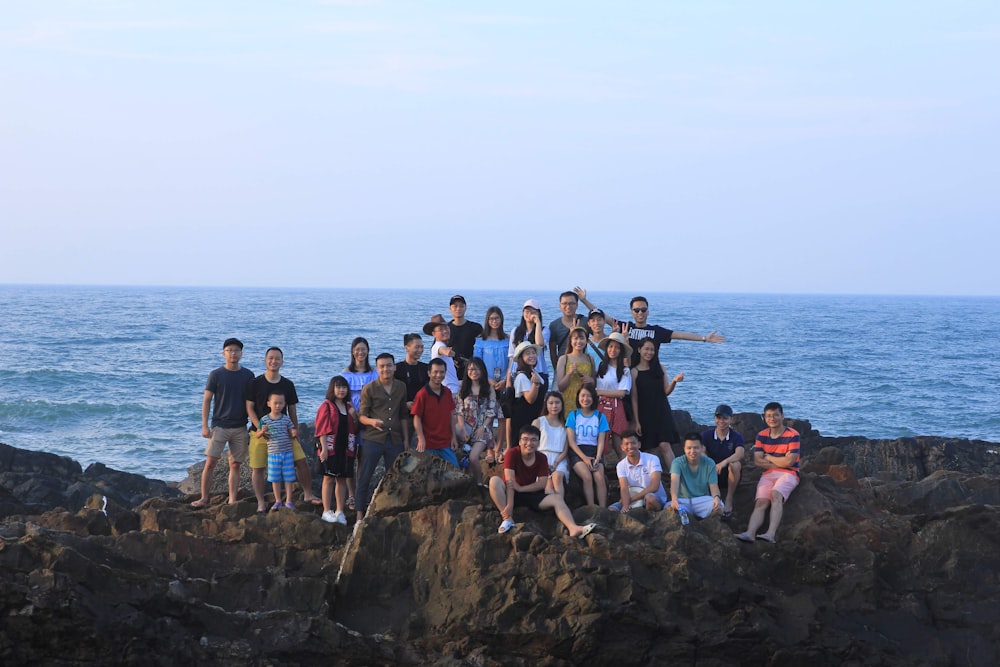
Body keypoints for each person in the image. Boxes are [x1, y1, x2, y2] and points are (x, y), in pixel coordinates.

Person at [488, 424, 597, 539]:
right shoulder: (512, 453)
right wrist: (509, 505)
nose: (529, 443)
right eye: (525, 439)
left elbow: (542, 483)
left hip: (530, 494)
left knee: (557, 498)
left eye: (533, 440)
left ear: (539, 443)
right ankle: (507, 519)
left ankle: (573, 528)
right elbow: (510, 482)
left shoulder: (541, 458)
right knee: (494, 481)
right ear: (519, 441)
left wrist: (521, 488)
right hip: (510, 494)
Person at [246, 347, 319, 513]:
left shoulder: (287, 384)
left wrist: (295, 430)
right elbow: (249, 408)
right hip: (259, 432)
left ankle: (307, 494)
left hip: (285, 432)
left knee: (301, 461)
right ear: (265, 360)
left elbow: (292, 409)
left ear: (282, 361)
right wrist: (260, 428)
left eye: (277, 358)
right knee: (257, 468)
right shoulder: (255, 383)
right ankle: (260, 502)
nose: (274, 361)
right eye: (271, 358)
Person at [195, 338, 254, 509]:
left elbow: (252, 401)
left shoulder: (248, 375)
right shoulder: (216, 374)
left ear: (241, 354)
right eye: (229, 350)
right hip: (219, 426)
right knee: (210, 462)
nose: (233, 353)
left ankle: (232, 499)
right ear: (223, 353)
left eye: (236, 350)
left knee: (235, 464)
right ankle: (204, 498)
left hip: (240, 426)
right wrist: (205, 425)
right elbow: (207, 400)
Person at [736, 402, 801, 544]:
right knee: (760, 502)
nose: (772, 418)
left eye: (776, 415)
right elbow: (757, 461)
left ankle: (770, 534)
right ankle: (750, 533)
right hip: (769, 473)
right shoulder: (762, 435)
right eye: (769, 416)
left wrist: (770, 457)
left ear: (782, 416)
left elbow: (789, 463)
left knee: (775, 495)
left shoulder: (793, 435)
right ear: (765, 418)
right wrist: (779, 461)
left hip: (789, 473)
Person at [357, 353, 410, 519]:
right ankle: (359, 514)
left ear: (394, 367)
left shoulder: (401, 387)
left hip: (394, 439)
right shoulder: (369, 388)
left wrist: (406, 439)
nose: (385, 369)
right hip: (373, 439)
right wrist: (372, 422)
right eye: (382, 366)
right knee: (365, 476)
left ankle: (391, 511)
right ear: (377, 369)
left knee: (395, 478)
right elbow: (361, 416)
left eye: (389, 365)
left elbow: (403, 415)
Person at [621, 296, 725, 367]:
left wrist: (704, 338)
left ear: (648, 312)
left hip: (651, 374)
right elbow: (605, 318)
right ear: (632, 312)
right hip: (631, 373)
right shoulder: (626, 327)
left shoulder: (656, 331)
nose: (640, 313)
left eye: (643, 310)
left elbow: (680, 335)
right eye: (636, 310)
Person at [631, 338, 683, 466]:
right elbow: (634, 398)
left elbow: (666, 391)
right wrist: (636, 421)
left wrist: (674, 382)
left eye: (652, 350)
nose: (649, 352)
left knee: (665, 445)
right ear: (639, 350)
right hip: (645, 413)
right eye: (646, 349)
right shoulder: (634, 372)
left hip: (662, 411)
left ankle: (675, 478)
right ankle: (652, 479)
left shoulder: (660, 368)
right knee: (648, 448)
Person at [315, 376, 358, 525]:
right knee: (328, 478)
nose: (341, 390)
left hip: (346, 449)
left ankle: (340, 511)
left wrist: (355, 415)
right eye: (338, 387)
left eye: (344, 387)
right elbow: (321, 429)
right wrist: (324, 449)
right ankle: (326, 511)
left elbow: (356, 427)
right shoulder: (326, 406)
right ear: (332, 389)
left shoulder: (349, 407)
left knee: (342, 480)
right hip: (331, 448)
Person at [343, 337, 378, 510]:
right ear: (352, 351)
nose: (360, 352)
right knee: (350, 457)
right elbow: (341, 396)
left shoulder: (374, 373)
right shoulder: (345, 374)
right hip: (350, 420)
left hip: (368, 420)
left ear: (368, 351)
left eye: (363, 349)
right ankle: (351, 495)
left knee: (363, 459)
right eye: (357, 349)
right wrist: (354, 414)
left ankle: (361, 493)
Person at [456, 357, 501, 484]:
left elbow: (492, 412)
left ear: (482, 370)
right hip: (466, 426)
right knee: (454, 434)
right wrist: (463, 429)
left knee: (473, 457)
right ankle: (466, 481)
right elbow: (459, 411)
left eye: (476, 369)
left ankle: (479, 483)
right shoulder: (463, 388)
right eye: (470, 369)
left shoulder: (488, 388)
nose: (473, 371)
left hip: (483, 428)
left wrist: (483, 427)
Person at [473, 306, 509, 460]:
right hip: (487, 383)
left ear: (501, 320)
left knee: (502, 417)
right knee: (487, 415)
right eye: (491, 318)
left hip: (504, 382)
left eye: (497, 318)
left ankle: (498, 447)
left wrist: (505, 380)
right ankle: (488, 448)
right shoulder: (481, 341)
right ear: (487, 320)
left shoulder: (508, 339)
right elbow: (477, 363)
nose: (494, 321)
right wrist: (487, 380)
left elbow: (512, 362)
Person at [565, 385, 610, 508]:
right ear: (578, 398)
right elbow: (571, 441)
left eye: (589, 396)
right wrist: (584, 458)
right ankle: (591, 508)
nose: (586, 399)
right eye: (583, 395)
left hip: (595, 451)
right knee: (587, 476)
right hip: (578, 451)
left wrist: (598, 457)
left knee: (599, 477)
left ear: (594, 398)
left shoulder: (600, 416)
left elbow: (601, 441)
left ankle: (602, 508)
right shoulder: (573, 415)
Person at [412, 357, 460, 466]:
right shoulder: (422, 394)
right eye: (435, 372)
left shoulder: (447, 392)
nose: (438, 375)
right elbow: (417, 418)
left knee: (455, 469)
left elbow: (452, 415)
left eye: (442, 372)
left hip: (445, 443)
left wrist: (453, 437)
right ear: (429, 373)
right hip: (427, 444)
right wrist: (420, 438)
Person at [701, 404, 744, 521]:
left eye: (725, 418)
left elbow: (740, 453)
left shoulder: (736, 436)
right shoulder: (706, 435)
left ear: (731, 419)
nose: (721, 421)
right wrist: (711, 464)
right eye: (718, 418)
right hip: (710, 472)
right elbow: (701, 452)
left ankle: (729, 498)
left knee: (736, 464)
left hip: (728, 475)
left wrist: (724, 463)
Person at [669, 433, 723, 520]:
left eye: (696, 448)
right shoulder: (677, 462)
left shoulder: (709, 463)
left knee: (719, 506)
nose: (692, 451)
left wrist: (716, 498)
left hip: (702, 500)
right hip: (683, 500)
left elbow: (714, 487)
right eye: (689, 448)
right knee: (669, 509)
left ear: (702, 448)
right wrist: (674, 499)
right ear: (684, 449)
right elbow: (674, 482)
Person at [595, 332, 632, 457]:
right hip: (600, 406)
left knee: (618, 441)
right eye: (610, 346)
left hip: (616, 406)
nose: (613, 350)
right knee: (601, 439)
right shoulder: (601, 366)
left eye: (617, 347)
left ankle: (625, 470)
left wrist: (599, 392)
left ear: (621, 351)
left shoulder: (625, 370)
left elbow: (622, 392)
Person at [610, 430, 667, 512]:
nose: (630, 446)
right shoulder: (621, 465)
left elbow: (654, 486)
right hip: (633, 499)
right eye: (626, 444)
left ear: (639, 444)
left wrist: (630, 500)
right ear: (622, 447)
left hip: (653, 496)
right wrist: (625, 506)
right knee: (611, 510)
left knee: (650, 499)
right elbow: (624, 488)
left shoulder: (652, 459)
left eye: (633, 443)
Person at [260, 392, 299, 511]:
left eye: (280, 403)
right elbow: (258, 434)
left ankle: (289, 500)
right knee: (275, 478)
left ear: (284, 404)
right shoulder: (265, 419)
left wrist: (294, 432)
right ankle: (277, 500)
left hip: (287, 452)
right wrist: (262, 431)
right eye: (275, 403)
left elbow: (292, 430)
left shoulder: (286, 419)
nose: (278, 406)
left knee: (289, 477)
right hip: (273, 453)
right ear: (269, 404)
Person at [507, 341, 549, 450]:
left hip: (533, 417)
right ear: (521, 358)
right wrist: (535, 384)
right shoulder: (522, 376)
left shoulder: (533, 372)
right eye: (527, 353)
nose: (532, 356)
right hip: (523, 419)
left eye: (533, 353)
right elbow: (530, 399)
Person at [395, 332, 429, 448]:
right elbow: (391, 393)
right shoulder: (397, 369)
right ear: (407, 348)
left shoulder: (426, 368)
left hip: (422, 414)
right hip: (403, 415)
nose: (420, 350)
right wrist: (404, 404)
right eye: (417, 347)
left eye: (422, 347)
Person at [533, 391, 570, 497]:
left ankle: (560, 506)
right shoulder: (538, 422)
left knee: (557, 477)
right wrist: (544, 464)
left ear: (562, 405)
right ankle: (556, 509)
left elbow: (565, 450)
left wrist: (555, 464)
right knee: (548, 484)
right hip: (540, 458)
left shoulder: (566, 424)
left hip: (559, 459)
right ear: (546, 404)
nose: (554, 406)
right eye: (551, 403)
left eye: (557, 403)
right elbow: (532, 445)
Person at [555, 326, 595, 414]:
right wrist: (569, 374)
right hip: (568, 400)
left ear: (586, 340)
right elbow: (560, 387)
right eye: (575, 338)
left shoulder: (590, 359)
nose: (579, 341)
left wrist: (591, 380)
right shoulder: (564, 359)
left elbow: (595, 383)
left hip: (585, 401)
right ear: (570, 341)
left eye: (582, 338)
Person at [508, 299, 550, 377]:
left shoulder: (544, 330)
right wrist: (508, 379)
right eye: (527, 311)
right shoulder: (515, 331)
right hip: (517, 372)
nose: (530, 314)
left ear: (538, 314)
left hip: (539, 371)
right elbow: (512, 355)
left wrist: (537, 323)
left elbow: (539, 344)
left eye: (533, 312)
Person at [447, 295, 483, 381]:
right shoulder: (445, 329)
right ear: (450, 309)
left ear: (465, 308)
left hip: (472, 373)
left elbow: (485, 347)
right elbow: (437, 349)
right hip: (451, 374)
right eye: (455, 306)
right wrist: (451, 361)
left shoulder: (476, 328)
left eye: (461, 306)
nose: (458, 309)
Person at [548, 291, 584, 369]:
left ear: (577, 305)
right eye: (564, 303)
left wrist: (584, 300)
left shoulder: (584, 321)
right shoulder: (554, 325)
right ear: (560, 306)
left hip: (583, 366)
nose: (568, 306)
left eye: (571, 303)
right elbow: (552, 352)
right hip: (563, 366)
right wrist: (557, 370)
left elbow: (600, 318)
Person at [424, 315, 460, 394]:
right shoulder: (438, 345)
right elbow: (444, 351)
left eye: (446, 328)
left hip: (452, 388)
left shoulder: (441, 345)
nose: (445, 331)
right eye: (440, 329)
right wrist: (451, 353)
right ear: (434, 334)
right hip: (449, 389)